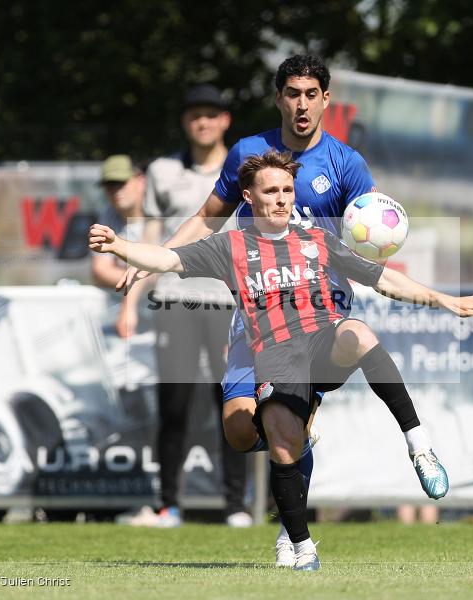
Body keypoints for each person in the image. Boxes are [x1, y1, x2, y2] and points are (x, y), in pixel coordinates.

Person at [90, 149, 473, 571]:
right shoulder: (229, 246)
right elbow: (169, 258)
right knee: (247, 433)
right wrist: (120, 245)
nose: (283, 198)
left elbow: (383, 278)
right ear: (249, 198)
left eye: (288, 189)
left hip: (322, 340)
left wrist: (447, 300)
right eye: (272, 191)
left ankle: (419, 447)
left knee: (358, 332)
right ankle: (297, 536)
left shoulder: (318, 240)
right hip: (272, 351)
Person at [115, 55, 382, 564]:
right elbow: (206, 220)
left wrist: (380, 247)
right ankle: (293, 444)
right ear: (279, 97)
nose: (301, 104)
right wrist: (152, 264)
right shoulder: (249, 152)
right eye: (292, 93)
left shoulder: (346, 163)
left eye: (311, 94)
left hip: (316, 313)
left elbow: (367, 232)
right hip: (256, 308)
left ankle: (293, 535)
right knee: (239, 429)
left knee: (290, 421)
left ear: (326, 99)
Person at [118, 84, 250, 528]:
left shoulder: (243, 167)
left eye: (212, 114)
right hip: (174, 299)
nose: (203, 122)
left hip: (225, 302)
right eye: (195, 114)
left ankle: (237, 506)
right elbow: (151, 236)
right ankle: (167, 506)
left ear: (225, 121)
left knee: (231, 404)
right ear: (185, 121)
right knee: (173, 406)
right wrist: (132, 297)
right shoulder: (161, 170)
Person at [91, 154, 148, 338]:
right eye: (109, 186)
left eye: (121, 183)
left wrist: (128, 304)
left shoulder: (159, 212)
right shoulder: (109, 214)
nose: (116, 191)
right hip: (120, 314)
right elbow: (100, 271)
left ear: (140, 181)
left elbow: (163, 272)